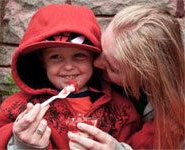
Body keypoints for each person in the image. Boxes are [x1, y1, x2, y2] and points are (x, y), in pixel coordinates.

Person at [0, 4, 141, 150]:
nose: (68, 66)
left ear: (94, 58)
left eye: (79, 55)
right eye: (56, 57)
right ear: (42, 62)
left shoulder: (121, 109)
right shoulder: (20, 107)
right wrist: (20, 144)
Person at [69, 4, 185, 150]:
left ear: (148, 77)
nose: (96, 63)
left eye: (112, 67)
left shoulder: (175, 119)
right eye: (101, 50)